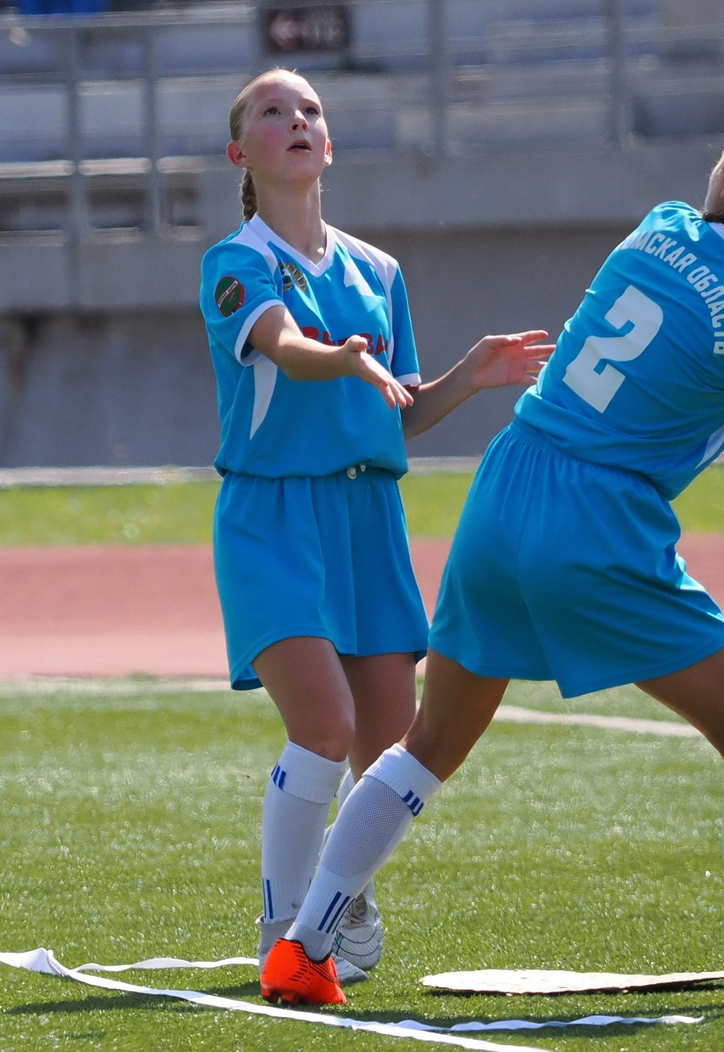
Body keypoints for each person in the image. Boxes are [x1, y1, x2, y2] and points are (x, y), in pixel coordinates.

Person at [258, 109, 724, 1010]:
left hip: (507, 484)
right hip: (597, 520)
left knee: (428, 742)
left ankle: (304, 947)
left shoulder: (664, 227)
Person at [202, 70, 554, 983]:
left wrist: (468, 376)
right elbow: (286, 347)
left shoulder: (379, 270)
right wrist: (340, 355)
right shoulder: (235, 263)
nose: (298, 121)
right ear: (242, 152)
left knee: (393, 756)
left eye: (311, 109)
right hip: (273, 514)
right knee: (324, 725)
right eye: (273, 112)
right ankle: (287, 929)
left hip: (369, 517)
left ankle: (337, 901)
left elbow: (394, 414)